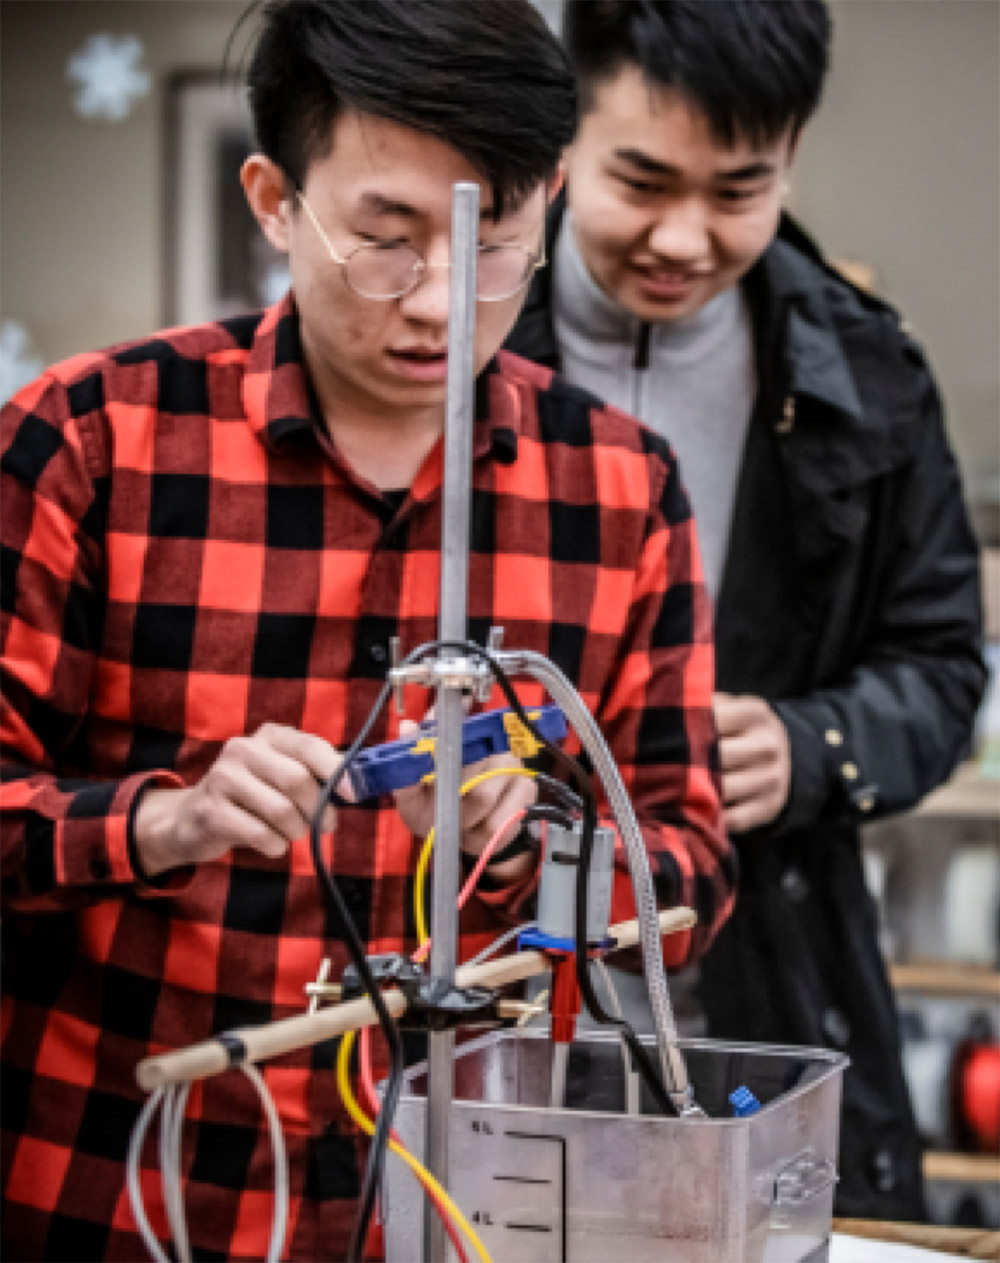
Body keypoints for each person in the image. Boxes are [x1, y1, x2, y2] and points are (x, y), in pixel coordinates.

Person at [0, 1, 735, 1258]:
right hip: (111, 1183)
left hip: (461, 1207)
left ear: (549, 200)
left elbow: (692, 869)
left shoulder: (623, 491)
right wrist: (162, 820)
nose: (440, 304)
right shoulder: (88, 442)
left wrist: (528, 847)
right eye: (384, 242)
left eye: (494, 242)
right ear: (274, 199)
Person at [506, 0, 986, 1221]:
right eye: (641, 179)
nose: (682, 235)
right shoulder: (451, 343)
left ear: (793, 158)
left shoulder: (868, 373)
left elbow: (939, 664)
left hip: (773, 954)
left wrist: (815, 743)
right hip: (499, 947)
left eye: (736, 190)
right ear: (566, 136)